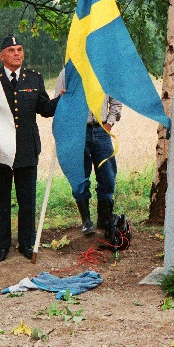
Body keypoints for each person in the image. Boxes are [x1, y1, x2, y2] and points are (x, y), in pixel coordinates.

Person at [0, 35, 58, 263]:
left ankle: (26, 243)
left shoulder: (34, 78)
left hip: (26, 148)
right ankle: (2, 246)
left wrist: (62, 99)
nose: (17, 53)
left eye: (20, 49)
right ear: (2, 55)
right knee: (1, 200)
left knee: (27, 200)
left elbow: (44, 109)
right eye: (12, 50)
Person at [55, 70, 122, 234]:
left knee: (107, 175)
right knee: (80, 176)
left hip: (101, 130)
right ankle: (86, 221)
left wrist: (109, 124)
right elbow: (58, 104)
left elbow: (116, 102)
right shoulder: (67, 73)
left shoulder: (104, 71)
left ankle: (104, 219)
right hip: (77, 132)